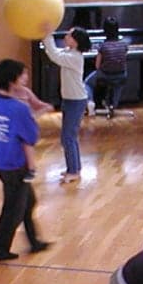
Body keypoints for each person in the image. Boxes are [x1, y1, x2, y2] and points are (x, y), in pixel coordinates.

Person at [0, 59, 50, 262]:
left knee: (28, 202)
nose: (26, 78)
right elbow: (30, 137)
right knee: (13, 210)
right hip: (15, 166)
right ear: (13, 81)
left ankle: (34, 241)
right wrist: (41, 112)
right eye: (23, 75)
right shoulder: (18, 108)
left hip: (3, 161)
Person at [39, 23, 92, 184]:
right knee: (69, 137)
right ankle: (75, 167)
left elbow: (54, 55)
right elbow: (54, 53)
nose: (66, 36)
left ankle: (73, 171)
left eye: (69, 35)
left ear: (75, 41)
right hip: (70, 100)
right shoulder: (69, 52)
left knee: (68, 137)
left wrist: (47, 35)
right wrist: (47, 37)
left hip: (76, 101)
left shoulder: (74, 57)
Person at [84, 16, 129, 117]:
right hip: (121, 75)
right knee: (118, 83)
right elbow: (123, 60)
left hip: (105, 75)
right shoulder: (124, 44)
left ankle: (90, 102)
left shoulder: (103, 46)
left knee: (87, 83)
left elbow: (97, 65)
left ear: (104, 30)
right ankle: (113, 105)